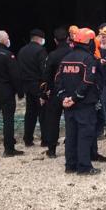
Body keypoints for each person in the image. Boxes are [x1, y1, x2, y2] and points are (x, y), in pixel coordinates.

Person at [55, 27, 102, 175]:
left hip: (68, 105)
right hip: (84, 104)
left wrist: (64, 98)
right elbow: (88, 81)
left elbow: (57, 80)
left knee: (71, 135)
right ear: (89, 42)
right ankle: (84, 167)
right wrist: (75, 97)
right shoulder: (89, 59)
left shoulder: (65, 58)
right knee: (85, 135)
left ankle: (70, 165)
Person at [41, 27, 72, 158]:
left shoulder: (52, 55)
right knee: (71, 120)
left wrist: (43, 93)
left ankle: (52, 149)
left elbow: (46, 76)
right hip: (71, 91)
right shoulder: (73, 53)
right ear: (68, 39)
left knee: (53, 120)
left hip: (55, 92)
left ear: (55, 40)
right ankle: (71, 147)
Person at [17, 29, 48, 147]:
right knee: (43, 113)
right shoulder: (41, 50)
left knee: (30, 113)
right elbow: (44, 70)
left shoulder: (22, 50)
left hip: (27, 86)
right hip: (38, 85)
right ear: (40, 39)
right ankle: (45, 140)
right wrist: (46, 87)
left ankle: (28, 139)